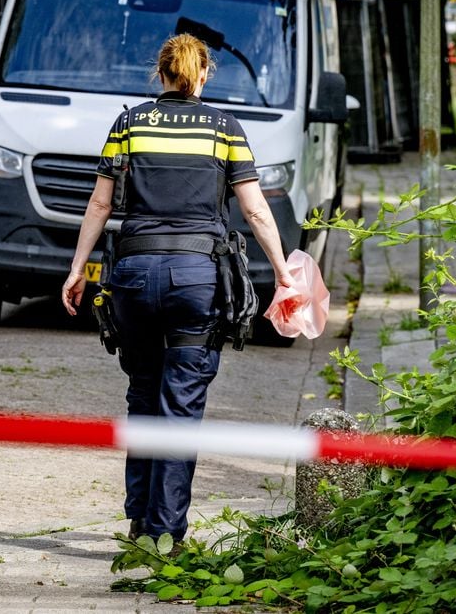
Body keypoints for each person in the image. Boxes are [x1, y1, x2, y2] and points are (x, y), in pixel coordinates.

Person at [61, 33, 293, 547]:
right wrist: (283, 271)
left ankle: (139, 521)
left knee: (143, 392)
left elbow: (100, 206)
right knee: (181, 404)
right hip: (196, 277)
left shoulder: (129, 124)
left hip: (135, 276)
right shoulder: (223, 128)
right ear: (204, 74)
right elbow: (254, 209)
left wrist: (78, 268)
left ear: (159, 73)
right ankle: (166, 537)